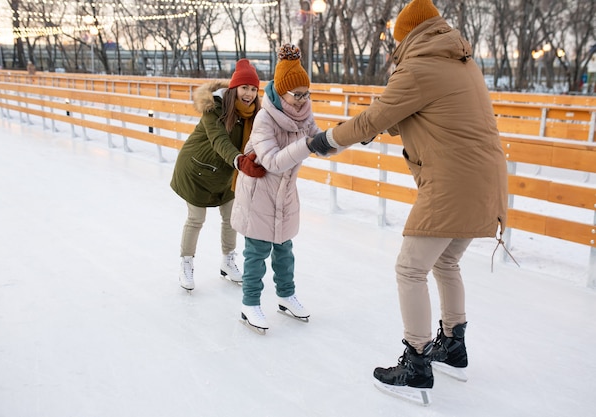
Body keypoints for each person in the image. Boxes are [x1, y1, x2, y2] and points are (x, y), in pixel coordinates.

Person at [307, 0, 508, 404]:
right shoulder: (458, 61)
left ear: (407, 36)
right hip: (486, 180)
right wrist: (382, 124)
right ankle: (453, 346)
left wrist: (326, 141)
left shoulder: (417, 67)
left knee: (410, 268)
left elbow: (374, 117)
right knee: (445, 261)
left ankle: (416, 364)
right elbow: (425, 113)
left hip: (453, 182)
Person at [231, 44, 322, 332]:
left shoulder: (304, 114)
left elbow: (321, 141)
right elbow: (271, 161)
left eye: (306, 93)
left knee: (285, 251)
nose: (302, 100)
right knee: (256, 253)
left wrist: (350, 134)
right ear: (281, 92)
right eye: (297, 95)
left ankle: (286, 296)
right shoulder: (265, 118)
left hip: (285, 195)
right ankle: (250, 304)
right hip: (259, 194)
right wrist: (306, 146)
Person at [170, 59, 267, 292]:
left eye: (254, 89)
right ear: (234, 88)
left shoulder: (255, 114)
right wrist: (240, 161)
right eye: (245, 88)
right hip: (195, 169)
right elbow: (219, 140)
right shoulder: (213, 109)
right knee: (196, 219)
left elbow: (265, 137)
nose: (249, 94)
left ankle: (228, 261)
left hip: (226, 172)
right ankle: (186, 263)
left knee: (231, 216)